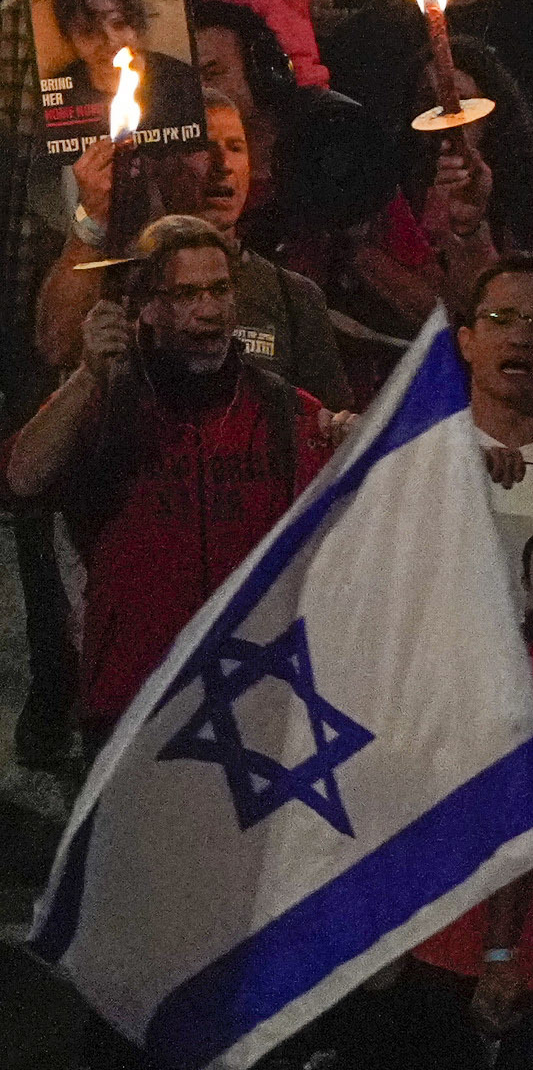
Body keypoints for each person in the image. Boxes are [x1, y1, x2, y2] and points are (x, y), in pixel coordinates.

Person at [4, 211, 339, 743]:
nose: (209, 311)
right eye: (186, 295)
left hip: (250, 698)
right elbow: (23, 475)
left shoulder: (278, 407)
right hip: (134, 705)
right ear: (148, 309)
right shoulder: (107, 400)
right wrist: (88, 376)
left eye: (220, 290)